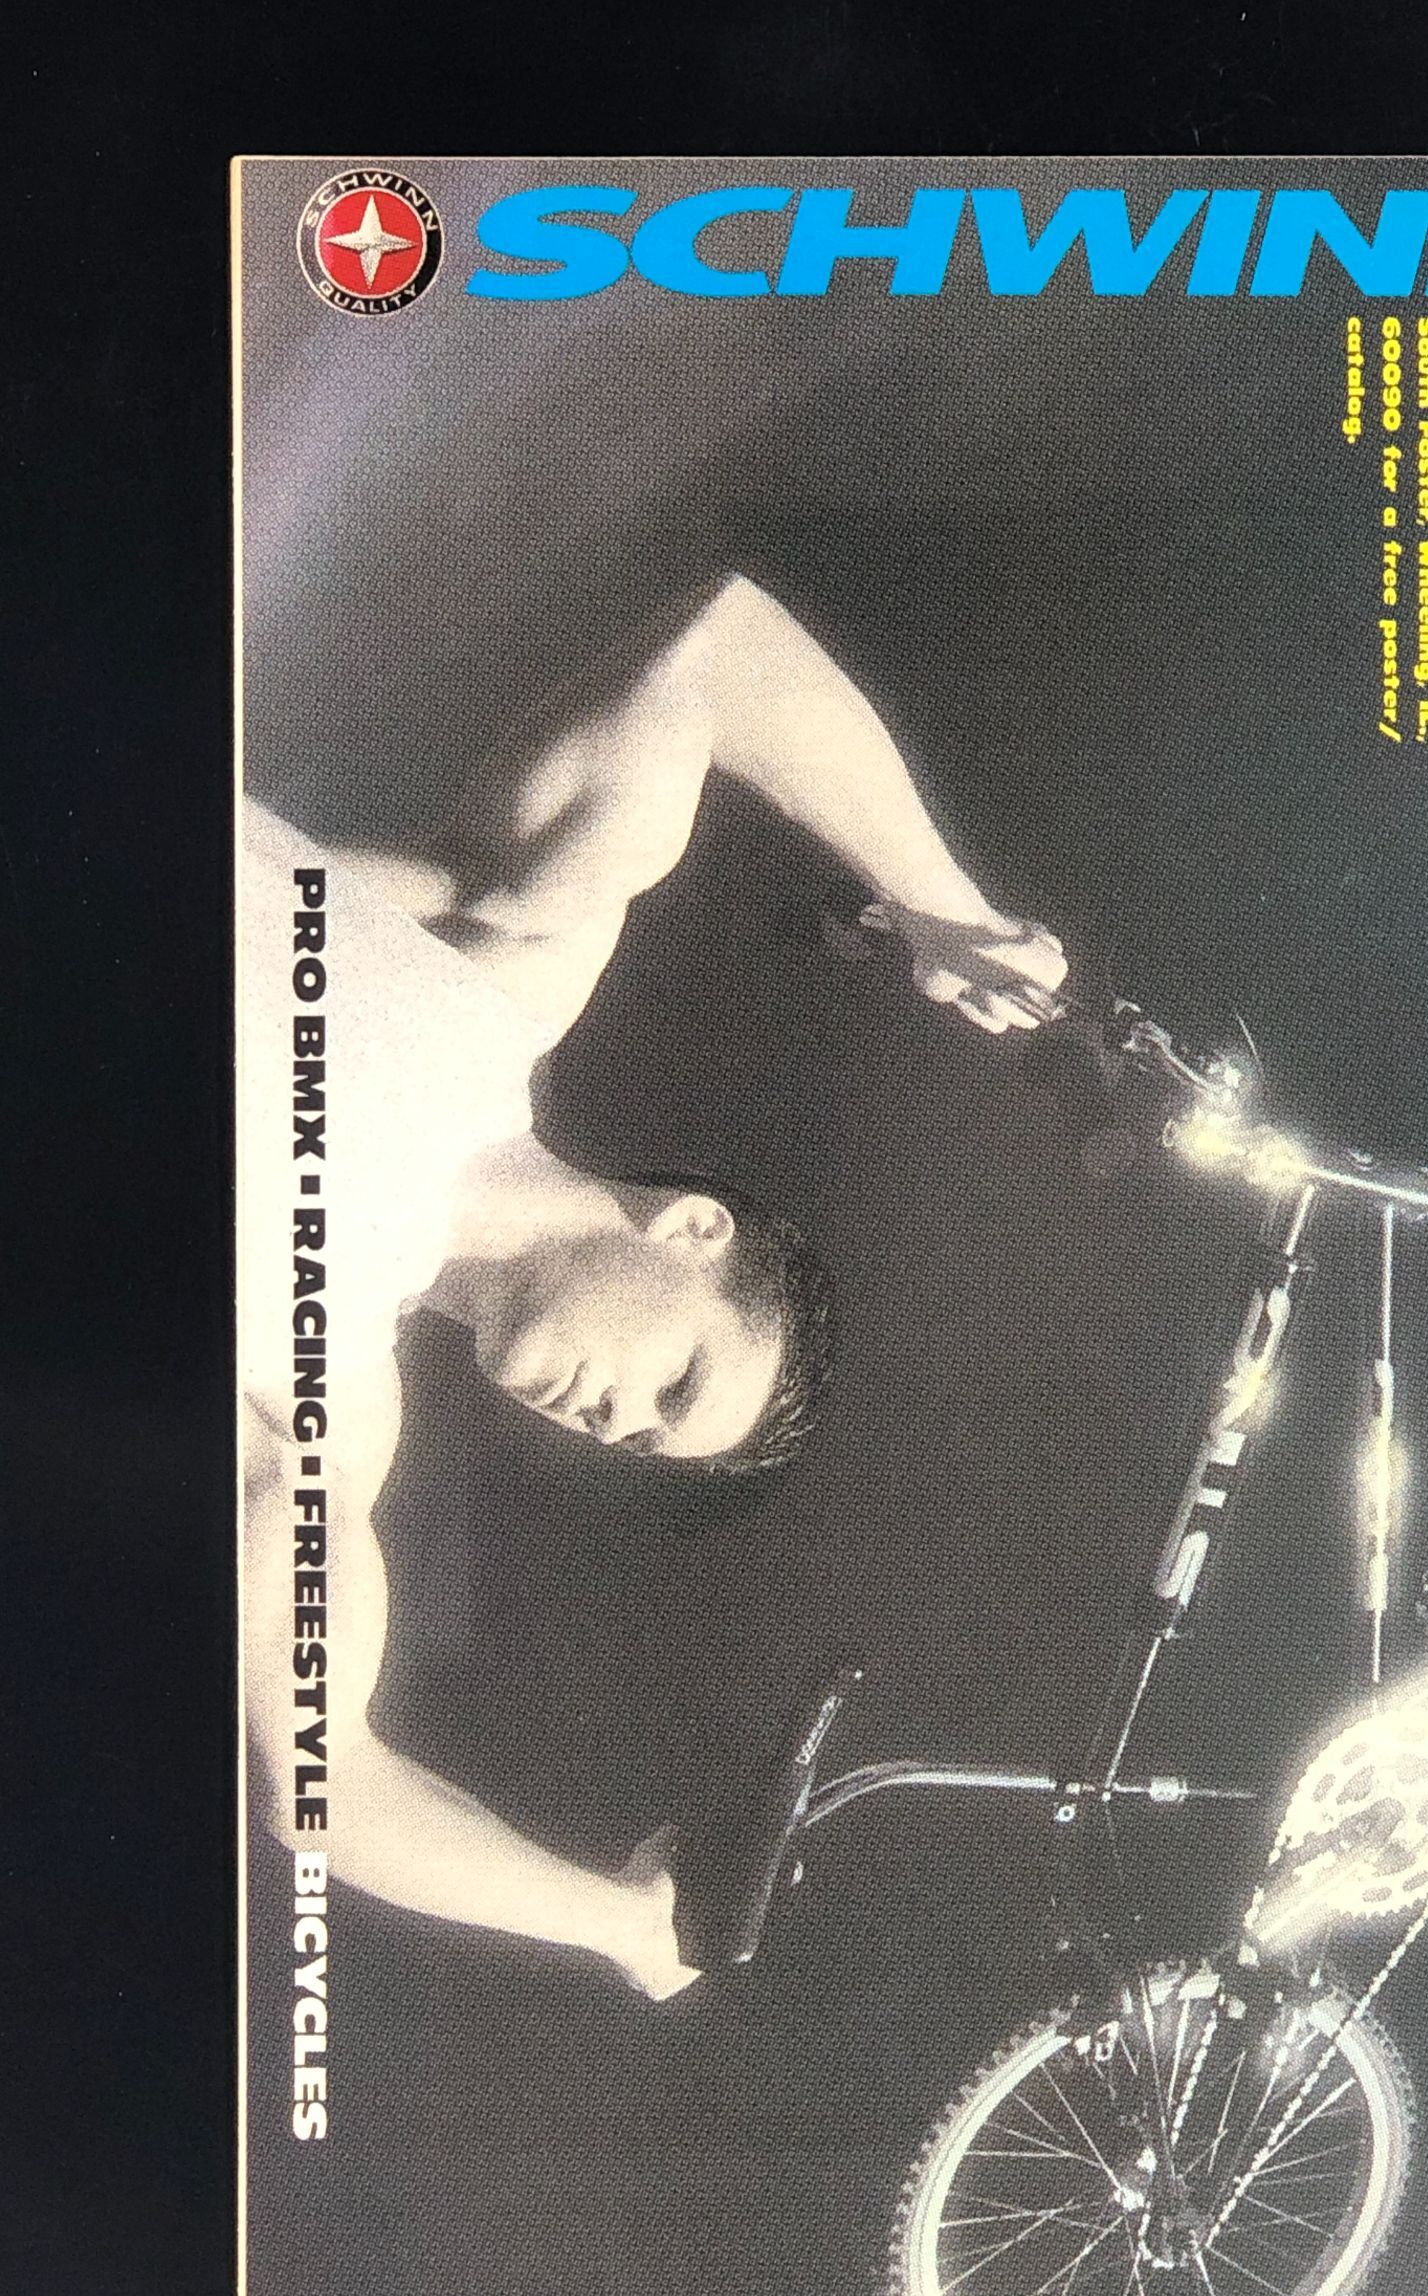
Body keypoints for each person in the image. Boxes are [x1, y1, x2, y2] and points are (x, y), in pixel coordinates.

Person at [240, 574, 1068, 2001]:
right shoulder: (500, 969)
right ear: (687, 1231)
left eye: (637, 1440)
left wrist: (623, 1922)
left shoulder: (322, 1417)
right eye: (674, 1384)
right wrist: (943, 908)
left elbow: (325, 1787)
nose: (612, 1422)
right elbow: (718, 652)